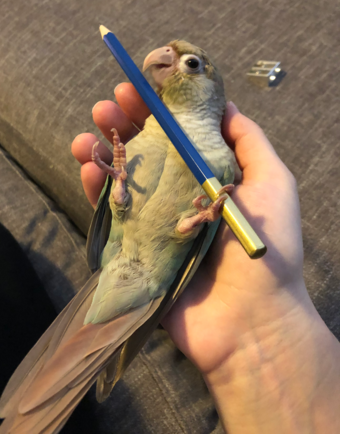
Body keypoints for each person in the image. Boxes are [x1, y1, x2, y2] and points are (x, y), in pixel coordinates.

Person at [72, 82, 340, 433]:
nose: (166, 57)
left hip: (156, 267)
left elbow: (185, 243)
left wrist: (268, 325)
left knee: (184, 225)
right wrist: (118, 182)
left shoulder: (220, 163)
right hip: (119, 250)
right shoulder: (146, 138)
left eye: (192, 65)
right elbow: (116, 220)